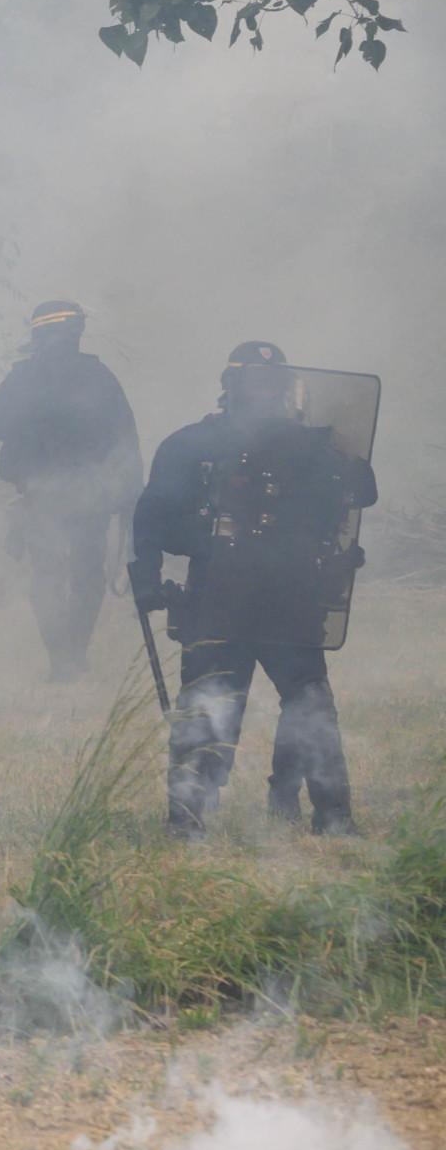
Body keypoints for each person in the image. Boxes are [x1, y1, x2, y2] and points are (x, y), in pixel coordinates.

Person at [131, 342, 376, 836]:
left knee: (309, 706)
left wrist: (340, 446)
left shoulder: (313, 448)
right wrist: (147, 577)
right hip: (217, 600)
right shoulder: (193, 444)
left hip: (289, 598)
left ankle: (331, 814)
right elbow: (152, 514)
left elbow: (362, 492)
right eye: (256, 383)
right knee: (208, 707)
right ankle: (188, 818)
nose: (264, 393)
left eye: (273, 383)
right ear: (232, 387)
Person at [0, 302, 142, 679]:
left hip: (56, 495)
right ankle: (70, 655)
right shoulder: (97, 376)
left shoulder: (24, 378)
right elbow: (125, 436)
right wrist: (129, 492)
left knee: (50, 576)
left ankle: (63, 658)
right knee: (80, 574)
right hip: (82, 495)